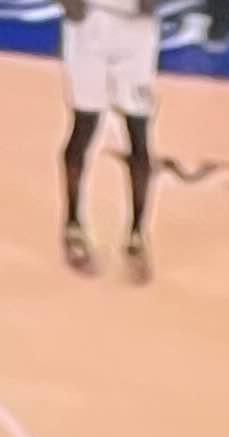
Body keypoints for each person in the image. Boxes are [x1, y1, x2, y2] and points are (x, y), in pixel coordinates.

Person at [58, 0, 159, 281]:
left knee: (139, 133)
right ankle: (73, 224)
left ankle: (137, 234)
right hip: (90, 22)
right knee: (84, 127)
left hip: (137, 29)